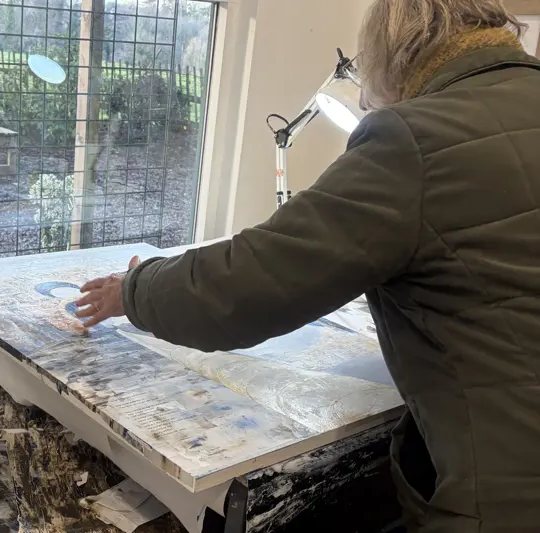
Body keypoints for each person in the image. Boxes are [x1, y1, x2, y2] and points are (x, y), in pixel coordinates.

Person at [76, 0, 540, 531]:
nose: (364, 97)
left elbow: (247, 286)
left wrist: (132, 290)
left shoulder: (415, 138)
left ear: (397, 51)